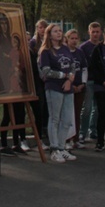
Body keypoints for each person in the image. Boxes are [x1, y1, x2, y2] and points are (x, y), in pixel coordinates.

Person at [38, 24, 76, 163]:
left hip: (68, 87)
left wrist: (69, 79)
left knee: (66, 119)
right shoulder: (46, 52)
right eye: (55, 31)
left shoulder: (65, 48)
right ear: (49, 34)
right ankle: (54, 149)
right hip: (54, 87)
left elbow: (72, 66)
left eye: (60, 31)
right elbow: (46, 71)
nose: (59, 33)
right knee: (55, 118)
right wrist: (64, 76)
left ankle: (62, 147)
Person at [78, 22, 102, 146]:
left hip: (100, 82)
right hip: (88, 81)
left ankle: (93, 130)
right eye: (93, 32)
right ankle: (82, 132)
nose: (95, 34)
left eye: (97, 32)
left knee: (96, 109)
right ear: (89, 32)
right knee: (86, 108)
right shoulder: (84, 47)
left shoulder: (102, 46)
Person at [65, 29, 87, 151]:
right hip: (68, 87)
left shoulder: (80, 53)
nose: (74, 41)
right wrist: (70, 84)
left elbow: (84, 68)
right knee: (68, 114)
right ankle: (67, 139)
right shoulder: (64, 52)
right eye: (71, 38)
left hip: (79, 87)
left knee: (77, 114)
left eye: (75, 38)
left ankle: (76, 139)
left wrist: (82, 83)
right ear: (67, 39)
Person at [28, 19, 48, 144]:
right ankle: (38, 131)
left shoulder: (47, 42)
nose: (42, 30)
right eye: (40, 27)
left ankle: (45, 128)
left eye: (44, 27)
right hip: (36, 78)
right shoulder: (33, 43)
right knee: (39, 106)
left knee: (46, 105)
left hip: (47, 77)